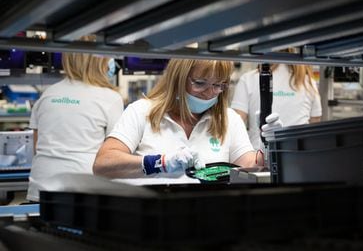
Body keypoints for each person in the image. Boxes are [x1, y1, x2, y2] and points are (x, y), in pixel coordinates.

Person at [93, 59, 264, 183]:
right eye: (200, 83)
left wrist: (270, 148)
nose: (210, 93)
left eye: (218, 85)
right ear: (178, 80)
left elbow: (250, 165)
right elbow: (103, 164)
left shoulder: (229, 119)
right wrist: (161, 163)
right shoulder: (142, 112)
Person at [27, 47, 124, 201]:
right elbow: (115, 153)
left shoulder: (48, 94)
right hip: (84, 190)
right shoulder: (110, 98)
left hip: (41, 188)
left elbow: (36, 147)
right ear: (99, 61)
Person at [231, 62, 322, 150]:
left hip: (260, 157)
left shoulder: (249, 79)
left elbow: (235, 125)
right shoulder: (308, 82)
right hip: (298, 156)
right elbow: (315, 126)